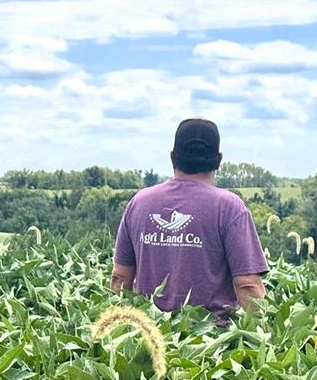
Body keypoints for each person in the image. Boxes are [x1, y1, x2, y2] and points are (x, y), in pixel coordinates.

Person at [110, 118, 268, 323]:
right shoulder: (229, 207)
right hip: (209, 337)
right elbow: (248, 285)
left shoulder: (139, 203)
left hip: (150, 332)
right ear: (218, 160)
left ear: (172, 157)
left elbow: (120, 278)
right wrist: (265, 331)